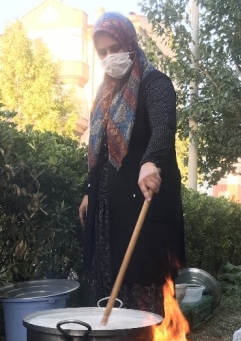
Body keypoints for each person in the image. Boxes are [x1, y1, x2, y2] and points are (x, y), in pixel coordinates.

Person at [78, 11, 185, 317]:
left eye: (115, 48)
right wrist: (88, 190)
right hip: (108, 206)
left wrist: (150, 161)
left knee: (141, 277)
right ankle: (111, 340)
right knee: (105, 273)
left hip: (142, 201)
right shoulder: (105, 94)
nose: (109, 57)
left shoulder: (154, 83)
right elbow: (99, 149)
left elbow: (164, 127)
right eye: (102, 52)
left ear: (130, 43)